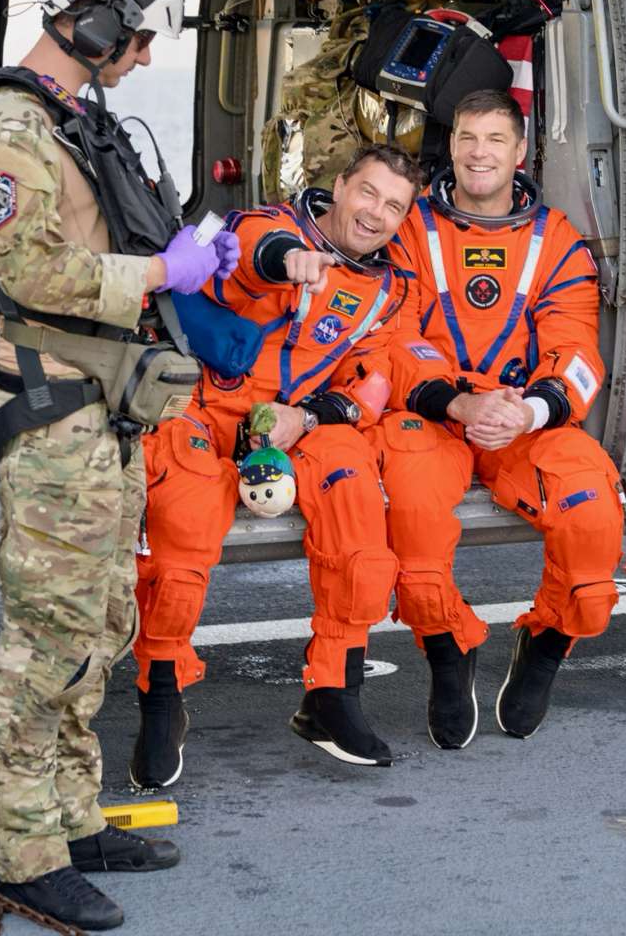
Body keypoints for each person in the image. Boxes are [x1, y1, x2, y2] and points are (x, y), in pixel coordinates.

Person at [0, 0, 239, 931]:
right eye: (137, 36)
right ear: (91, 19)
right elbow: (32, 277)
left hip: (103, 409)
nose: (143, 57)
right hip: (55, 411)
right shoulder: (7, 127)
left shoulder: (65, 121)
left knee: (97, 625)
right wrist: (162, 275)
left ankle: (67, 813)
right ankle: (22, 851)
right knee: (45, 638)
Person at [129, 144, 481, 779]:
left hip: (297, 422)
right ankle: (161, 695)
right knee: (181, 525)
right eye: (368, 193)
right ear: (340, 185)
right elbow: (253, 255)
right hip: (208, 406)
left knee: (355, 502)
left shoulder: (392, 289)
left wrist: (309, 419)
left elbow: (372, 382)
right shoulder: (270, 228)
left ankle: (332, 693)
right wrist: (288, 263)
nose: (376, 213)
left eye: (394, 206)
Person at [391, 89, 624, 741]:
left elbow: (578, 354)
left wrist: (529, 411)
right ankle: (448, 649)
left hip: (524, 418)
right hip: (434, 413)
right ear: (451, 146)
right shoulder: (410, 230)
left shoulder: (558, 244)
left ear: (521, 152)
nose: (478, 152)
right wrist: (457, 400)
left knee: (593, 513)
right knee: (408, 522)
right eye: (467, 137)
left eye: (495, 139)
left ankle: (546, 645)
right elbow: (394, 336)